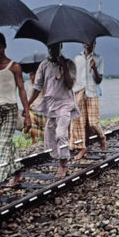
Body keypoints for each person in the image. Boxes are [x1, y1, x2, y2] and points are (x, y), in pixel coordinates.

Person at [0, 32, 32, 196]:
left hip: (11, 108)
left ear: (4, 46)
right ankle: (17, 173)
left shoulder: (14, 66)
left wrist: (27, 114)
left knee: (4, 144)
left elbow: (22, 90)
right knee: (5, 144)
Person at [28, 43, 78, 178]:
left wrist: (64, 68)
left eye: (56, 47)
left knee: (61, 134)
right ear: (48, 48)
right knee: (50, 137)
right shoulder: (44, 65)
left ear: (61, 47)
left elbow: (70, 84)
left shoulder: (69, 63)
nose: (53, 50)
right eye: (51, 47)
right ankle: (61, 158)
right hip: (50, 106)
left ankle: (63, 164)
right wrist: (28, 103)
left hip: (65, 104)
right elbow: (37, 87)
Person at [71, 39, 107, 159]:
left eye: (91, 42)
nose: (88, 44)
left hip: (92, 92)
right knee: (80, 123)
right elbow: (73, 77)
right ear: (83, 44)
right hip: (79, 92)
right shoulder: (77, 59)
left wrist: (95, 68)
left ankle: (101, 137)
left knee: (93, 122)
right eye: (86, 42)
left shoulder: (99, 58)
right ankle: (82, 148)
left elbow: (99, 80)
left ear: (94, 44)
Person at [25, 69, 45, 144]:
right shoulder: (28, 84)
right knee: (31, 124)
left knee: (44, 128)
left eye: (33, 75)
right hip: (32, 108)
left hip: (42, 108)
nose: (32, 77)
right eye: (30, 75)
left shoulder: (42, 84)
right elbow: (27, 97)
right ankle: (34, 141)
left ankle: (43, 140)